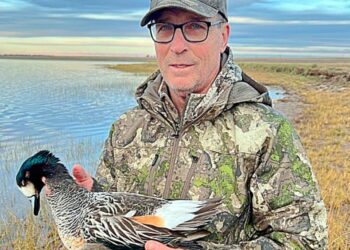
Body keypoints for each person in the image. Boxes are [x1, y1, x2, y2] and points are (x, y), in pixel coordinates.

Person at [73, 0, 328, 249]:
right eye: (164, 27)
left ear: (223, 35)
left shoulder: (266, 132)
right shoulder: (125, 129)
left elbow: (303, 242)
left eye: (195, 26)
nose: (177, 46)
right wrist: (95, 197)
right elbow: (112, 229)